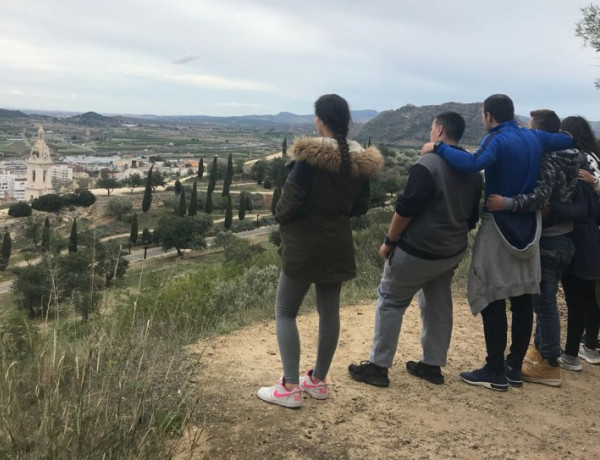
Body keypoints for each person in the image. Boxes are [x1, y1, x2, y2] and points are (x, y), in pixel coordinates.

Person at [421, 94, 573, 391]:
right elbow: (567, 140)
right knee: (522, 298)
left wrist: (438, 147)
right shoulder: (535, 137)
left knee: (491, 295)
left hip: (499, 224)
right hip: (530, 226)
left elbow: (473, 163)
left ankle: (494, 369)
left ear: (489, 116)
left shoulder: (497, 140)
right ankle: (514, 368)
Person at [257, 94, 383, 408]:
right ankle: (317, 381)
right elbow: (361, 207)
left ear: (319, 120)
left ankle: (289, 387)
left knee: (286, 312)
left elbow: (286, 206)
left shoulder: (308, 158)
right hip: (337, 244)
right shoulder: (359, 162)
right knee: (330, 312)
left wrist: (280, 215)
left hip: (303, 246)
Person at [347, 111, 482, 387]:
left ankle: (378, 366)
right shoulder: (472, 171)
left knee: (391, 301)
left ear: (440, 131)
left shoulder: (427, 164)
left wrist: (389, 241)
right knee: (437, 303)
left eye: (433, 128)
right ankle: (432, 366)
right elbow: (471, 218)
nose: (431, 132)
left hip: (418, 251)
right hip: (451, 252)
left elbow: (406, 208)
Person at [485, 109, 580, 387]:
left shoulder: (550, 158)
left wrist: (507, 203)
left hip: (549, 239)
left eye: (531, 128)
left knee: (544, 302)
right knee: (541, 300)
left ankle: (550, 364)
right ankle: (539, 354)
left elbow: (539, 198)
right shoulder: (574, 157)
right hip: (566, 238)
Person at [550, 116, 600, 371]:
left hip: (581, 237)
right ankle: (590, 346)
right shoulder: (594, 158)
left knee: (576, 298)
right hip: (594, 237)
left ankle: (570, 355)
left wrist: (551, 208)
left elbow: (581, 209)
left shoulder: (577, 162)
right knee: (588, 296)